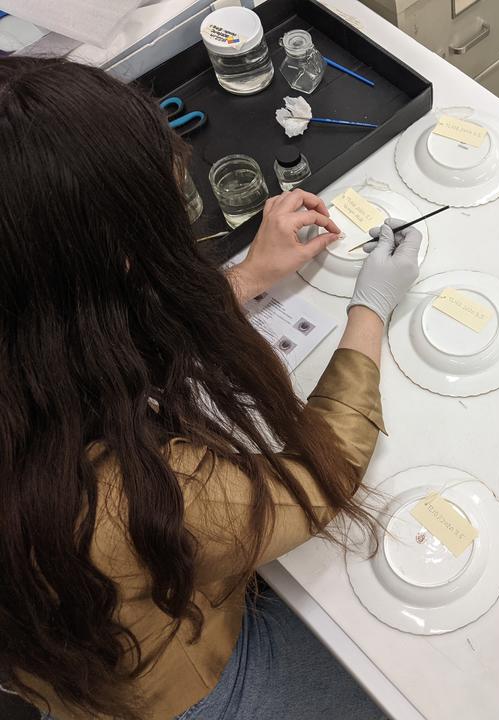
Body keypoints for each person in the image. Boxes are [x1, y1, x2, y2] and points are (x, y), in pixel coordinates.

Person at [0, 57, 422, 719]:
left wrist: (249, 274)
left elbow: (77, 338)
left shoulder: (23, 334)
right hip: (173, 690)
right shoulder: (113, 498)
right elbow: (323, 479)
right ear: (106, 264)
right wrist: (371, 309)